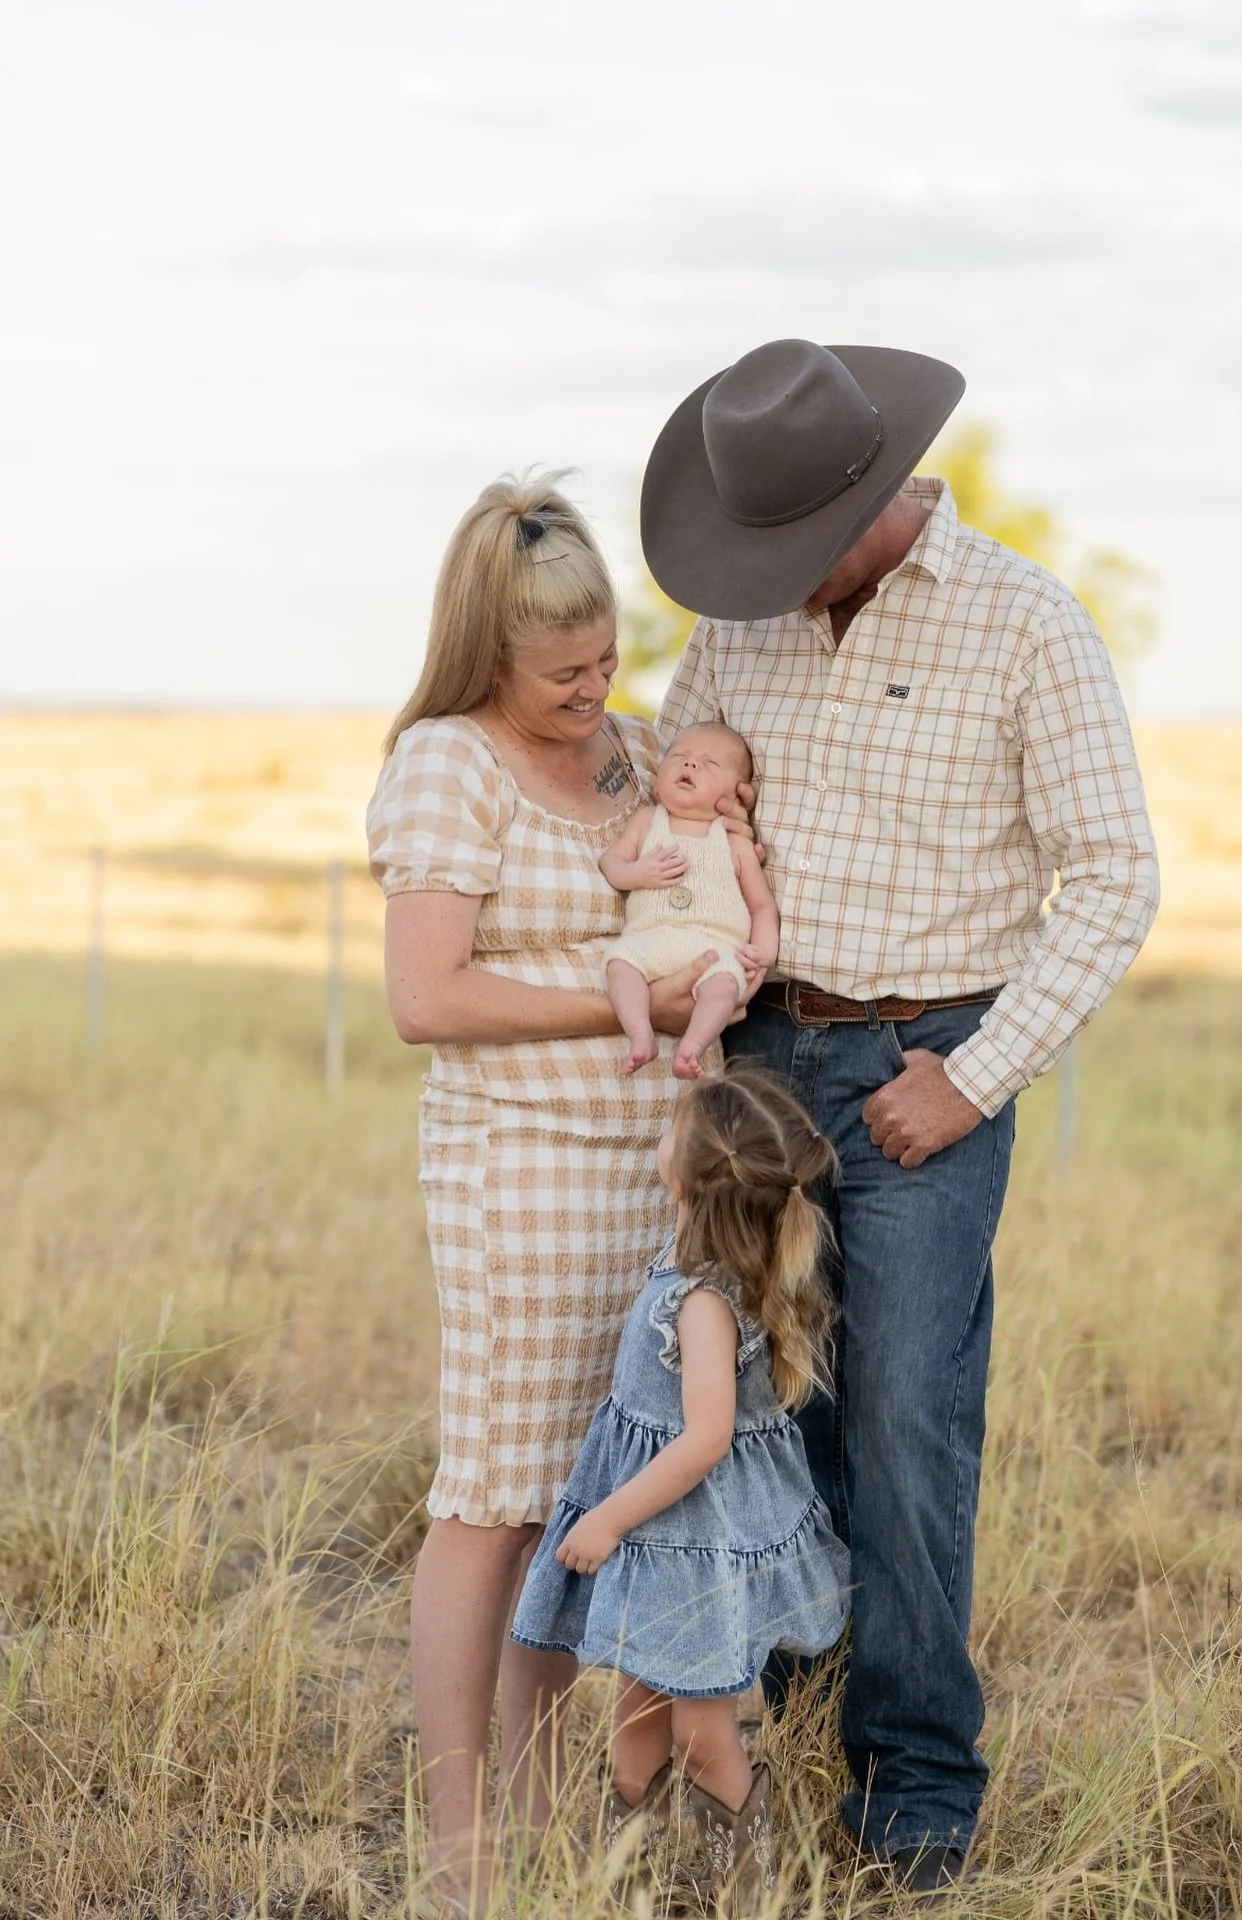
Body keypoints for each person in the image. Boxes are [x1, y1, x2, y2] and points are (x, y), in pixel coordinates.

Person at [641, 338, 1162, 1894]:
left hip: (931, 1060)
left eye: (797, 546)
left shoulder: (1025, 625)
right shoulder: (739, 623)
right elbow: (679, 799)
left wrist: (977, 1075)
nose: (773, 579)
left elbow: (1116, 874)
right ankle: (791, 1725)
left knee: (910, 1426)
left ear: (878, 499)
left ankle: (917, 1798)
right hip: (761, 1063)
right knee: (771, 1413)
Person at [365, 475, 737, 1915]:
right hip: (517, 1164)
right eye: (562, 673)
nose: (597, 692)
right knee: (495, 1494)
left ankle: (538, 1808)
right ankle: (464, 1845)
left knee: (594, 1493)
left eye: (606, 662)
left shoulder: (641, 754)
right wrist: (616, 1000)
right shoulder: (448, 765)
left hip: (652, 1178)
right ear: (489, 656)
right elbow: (424, 994)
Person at [510, 1067, 850, 1908]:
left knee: (703, 1732)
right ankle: (643, 1884)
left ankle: (748, 1890)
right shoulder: (690, 1261)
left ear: (689, 1174)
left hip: (685, 1544)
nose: (658, 1141)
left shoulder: (702, 1301)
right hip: (665, 1552)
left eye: (671, 1131)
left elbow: (703, 1439)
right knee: (634, 1734)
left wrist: (607, 1522)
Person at [601, 722, 778, 1078]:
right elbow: (611, 862)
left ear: (736, 794)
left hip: (714, 948)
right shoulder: (648, 821)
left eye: (709, 764)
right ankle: (640, 1034)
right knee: (620, 965)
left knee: (724, 987)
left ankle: (692, 1047)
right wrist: (637, 874)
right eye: (679, 757)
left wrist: (763, 952)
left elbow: (762, 906)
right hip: (651, 938)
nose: (690, 765)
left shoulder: (733, 839)